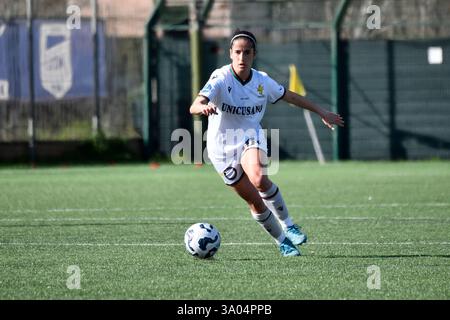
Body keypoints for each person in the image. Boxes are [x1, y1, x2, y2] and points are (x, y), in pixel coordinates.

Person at [189, 30, 344, 256]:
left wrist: (321, 111)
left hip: (250, 137)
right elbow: (194, 105)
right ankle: (282, 241)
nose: (242, 58)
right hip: (220, 148)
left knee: (260, 178)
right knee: (254, 202)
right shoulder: (220, 78)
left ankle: (289, 225)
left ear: (254, 55)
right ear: (230, 54)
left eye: (247, 53)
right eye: (238, 52)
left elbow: (290, 96)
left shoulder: (262, 81)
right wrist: (202, 107)